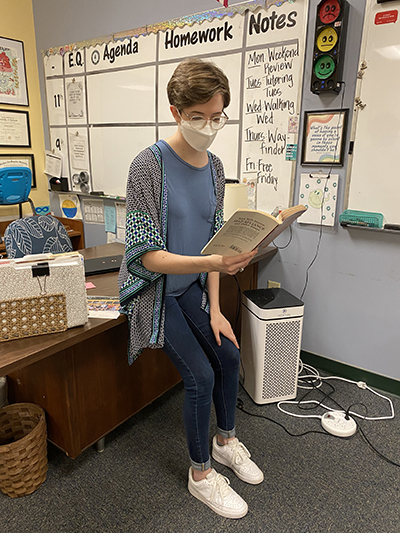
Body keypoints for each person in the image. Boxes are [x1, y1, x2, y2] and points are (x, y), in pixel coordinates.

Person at [118, 58, 263, 519]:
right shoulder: (148, 167)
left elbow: (216, 240)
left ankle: (225, 443)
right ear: (175, 109)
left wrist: (217, 308)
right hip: (160, 294)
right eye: (198, 116)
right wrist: (213, 262)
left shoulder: (216, 168)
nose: (208, 126)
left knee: (229, 355)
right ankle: (200, 474)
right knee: (200, 376)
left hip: (196, 289)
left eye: (217, 116)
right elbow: (145, 256)